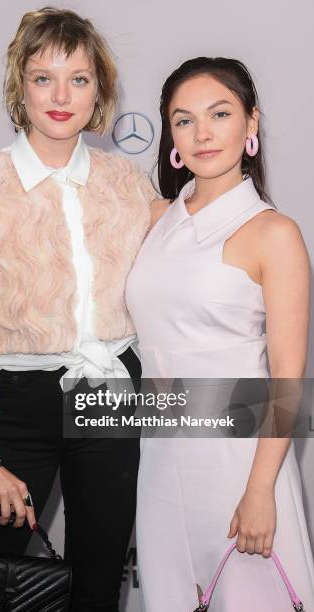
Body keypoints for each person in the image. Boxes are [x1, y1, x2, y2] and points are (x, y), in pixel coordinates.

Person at [0, 7, 155, 611]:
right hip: (17, 407)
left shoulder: (129, 184)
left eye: (79, 79)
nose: (61, 96)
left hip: (110, 396)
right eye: (42, 77)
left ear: (100, 90)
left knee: (97, 583)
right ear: (19, 85)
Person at [125, 57, 314, 611]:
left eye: (220, 113)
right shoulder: (155, 216)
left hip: (240, 465)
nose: (202, 133)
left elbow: (287, 379)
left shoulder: (273, 234)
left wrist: (259, 493)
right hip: (160, 459)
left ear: (251, 124)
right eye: (184, 120)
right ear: (171, 137)